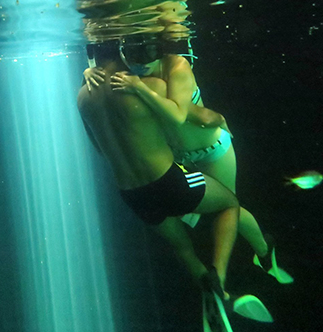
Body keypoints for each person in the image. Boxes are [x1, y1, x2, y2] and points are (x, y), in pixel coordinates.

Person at [85, 38, 293, 284]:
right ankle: (221, 277)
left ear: (160, 50)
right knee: (207, 209)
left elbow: (202, 116)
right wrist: (90, 72)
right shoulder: (131, 77)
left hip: (210, 148)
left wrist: (219, 119)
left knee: (229, 209)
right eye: (133, 54)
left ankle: (264, 251)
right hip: (181, 156)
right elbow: (108, 92)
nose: (141, 61)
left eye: (148, 53)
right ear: (124, 54)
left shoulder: (174, 69)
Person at [78, 41, 242, 331]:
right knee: (229, 204)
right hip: (169, 182)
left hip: (130, 194)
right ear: (123, 52)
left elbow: (100, 150)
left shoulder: (82, 97)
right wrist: (220, 121)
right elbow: (195, 116)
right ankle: (220, 281)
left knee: (182, 247)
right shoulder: (149, 85)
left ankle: (206, 288)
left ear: (92, 55)